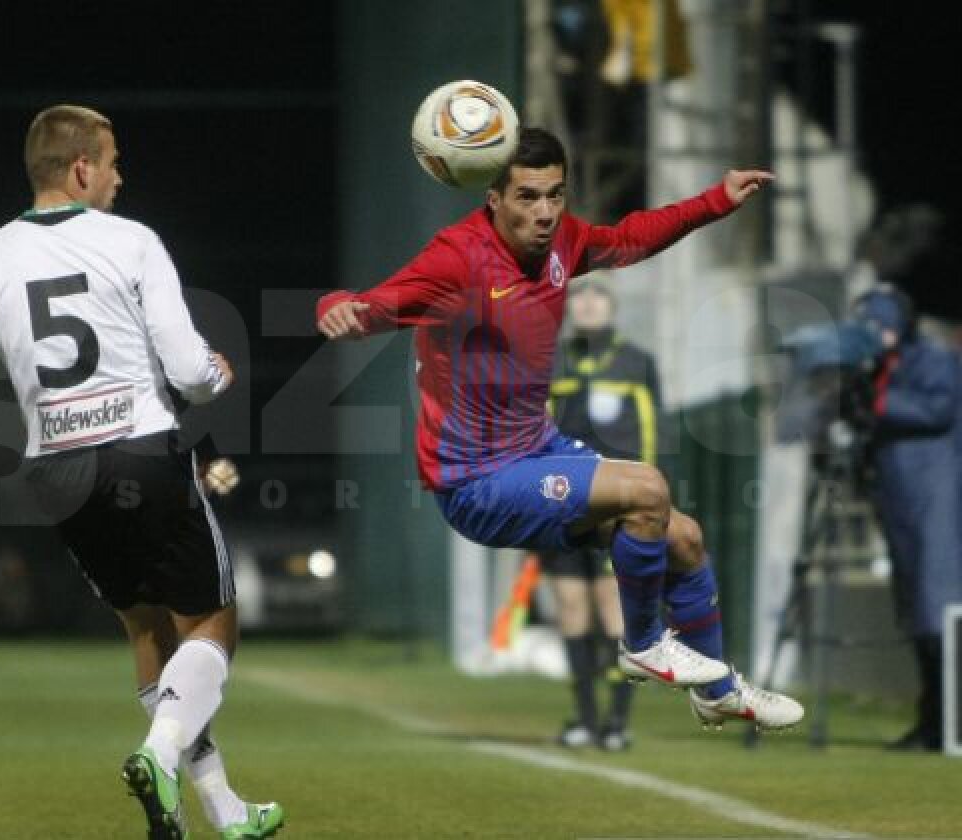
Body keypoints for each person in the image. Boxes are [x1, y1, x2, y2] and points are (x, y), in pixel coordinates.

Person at [0, 105, 284, 839]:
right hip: (142, 453)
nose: (119, 175)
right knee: (211, 621)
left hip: (56, 472)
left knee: (145, 628)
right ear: (81, 168)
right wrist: (217, 372)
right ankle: (158, 752)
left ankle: (223, 811)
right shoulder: (134, 241)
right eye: (112, 161)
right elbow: (187, 369)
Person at [317, 127, 803, 733]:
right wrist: (335, 306)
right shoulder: (457, 258)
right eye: (527, 196)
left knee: (686, 540)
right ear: (493, 198)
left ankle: (717, 689)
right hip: (476, 482)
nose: (545, 212)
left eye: (555, 194)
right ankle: (645, 645)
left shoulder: (561, 242)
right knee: (648, 490)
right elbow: (373, 306)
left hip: (534, 449)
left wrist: (714, 201)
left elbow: (627, 238)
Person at [534, 272, 660, 750]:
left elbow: (654, 434)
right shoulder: (551, 360)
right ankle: (585, 719)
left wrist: (648, 504)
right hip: (561, 504)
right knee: (571, 607)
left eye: (596, 295)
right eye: (578, 294)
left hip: (618, 503)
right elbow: (534, 431)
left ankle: (617, 724)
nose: (586, 303)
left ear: (611, 305)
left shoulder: (636, 362)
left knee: (615, 610)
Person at [854, 285, 962, 752]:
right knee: (918, 612)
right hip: (900, 504)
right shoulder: (878, 369)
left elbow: (936, 409)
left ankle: (946, 722)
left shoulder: (931, 360)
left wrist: (875, 403)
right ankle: (931, 722)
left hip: (933, 502)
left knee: (938, 611)